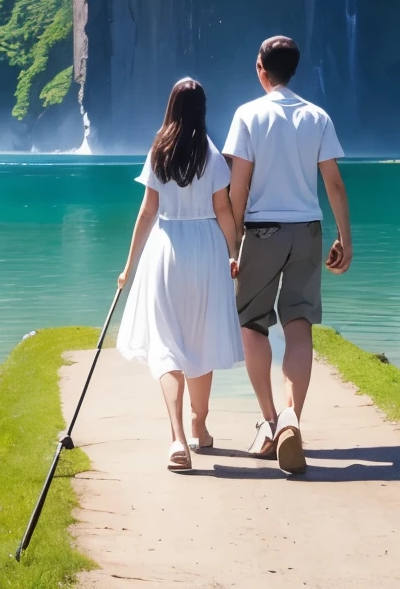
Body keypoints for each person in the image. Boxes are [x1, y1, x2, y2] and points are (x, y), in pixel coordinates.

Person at [223, 35, 352, 475]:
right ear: (293, 69)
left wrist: (231, 241)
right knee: (299, 325)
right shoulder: (317, 116)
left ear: (261, 68)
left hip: (262, 231)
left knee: (250, 323)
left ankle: (271, 419)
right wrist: (345, 238)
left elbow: (237, 185)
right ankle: (294, 417)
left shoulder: (248, 115)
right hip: (309, 230)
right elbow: (333, 183)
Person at [115, 78, 244, 472]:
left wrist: (129, 265)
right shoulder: (212, 155)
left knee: (168, 343)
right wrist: (234, 251)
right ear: (202, 109)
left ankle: (177, 439)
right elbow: (224, 210)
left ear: (171, 106)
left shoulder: (159, 150)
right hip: (206, 248)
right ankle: (199, 426)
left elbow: (147, 211)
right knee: (200, 338)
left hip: (166, 247)